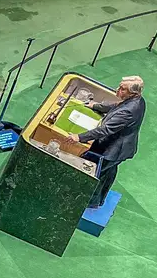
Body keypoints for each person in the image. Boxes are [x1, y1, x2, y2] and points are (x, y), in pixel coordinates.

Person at [57, 76, 146, 208]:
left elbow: (105, 130)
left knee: (94, 174)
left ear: (133, 93)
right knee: (107, 172)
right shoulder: (137, 100)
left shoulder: (129, 110)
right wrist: (96, 106)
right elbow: (116, 106)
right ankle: (99, 200)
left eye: (123, 89)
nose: (117, 89)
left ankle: (89, 203)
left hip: (112, 150)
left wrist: (79, 137)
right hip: (120, 148)